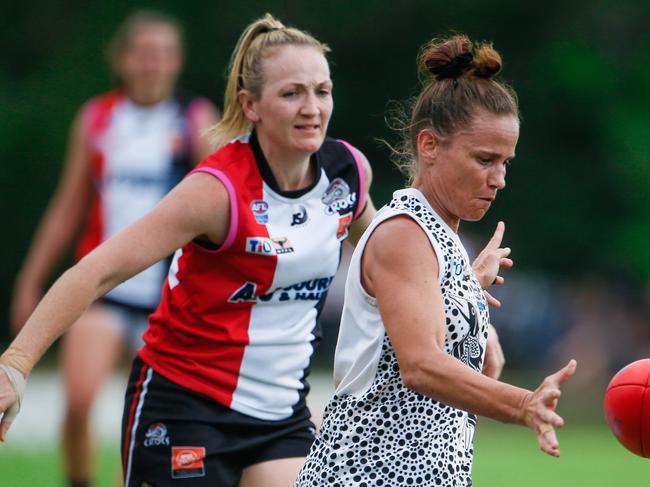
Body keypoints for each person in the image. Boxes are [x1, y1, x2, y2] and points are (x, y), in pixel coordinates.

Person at [0, 15, 507, 487]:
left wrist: (468, 302)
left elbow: (396, 254)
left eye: (322, 91)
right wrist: (16, 366)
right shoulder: (216, 191)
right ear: (251, 105)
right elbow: (96, 272)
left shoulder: (347, 174)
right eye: (292, 93)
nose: (312, 108)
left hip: (281, 419)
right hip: (185, 406)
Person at [295, 35, 577, 487]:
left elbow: (431, 334)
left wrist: (468, 289)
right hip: (367, 476)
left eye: (505, 162)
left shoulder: (440, 237)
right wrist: (522, 405)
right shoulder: (404, 233)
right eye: (485, 159)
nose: (499, 178)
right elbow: (421, 365)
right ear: (429, 145)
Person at [8, 10, 219, 487]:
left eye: (163, 54)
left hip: (169, 291)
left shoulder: (194, 119)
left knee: (154, 418)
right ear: (122, 59)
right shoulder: (97, 119)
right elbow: (68, 206)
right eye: (143, 53)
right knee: (79, 401)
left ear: (177, 62)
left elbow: (218, 211)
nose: (153, 63)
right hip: (104, 285)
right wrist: (31, 280)